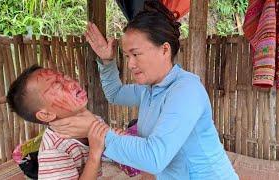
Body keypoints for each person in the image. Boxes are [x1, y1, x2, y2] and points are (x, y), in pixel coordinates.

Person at [50, 1, 239, 180]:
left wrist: (96, 131)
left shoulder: (186, 91)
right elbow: (115, 94)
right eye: (126, 55)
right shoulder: (149, 90)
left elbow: (154, 158)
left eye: (136, 54)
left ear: (165, 50)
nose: (130, 64)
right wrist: (107, 61)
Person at [6, 64, 110, 180]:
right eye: (58, 86)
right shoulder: (55, 151)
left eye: (65, 77)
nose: (71, 83)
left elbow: (115, 143)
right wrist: (94, 155)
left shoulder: (93, 120)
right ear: (46, 115)